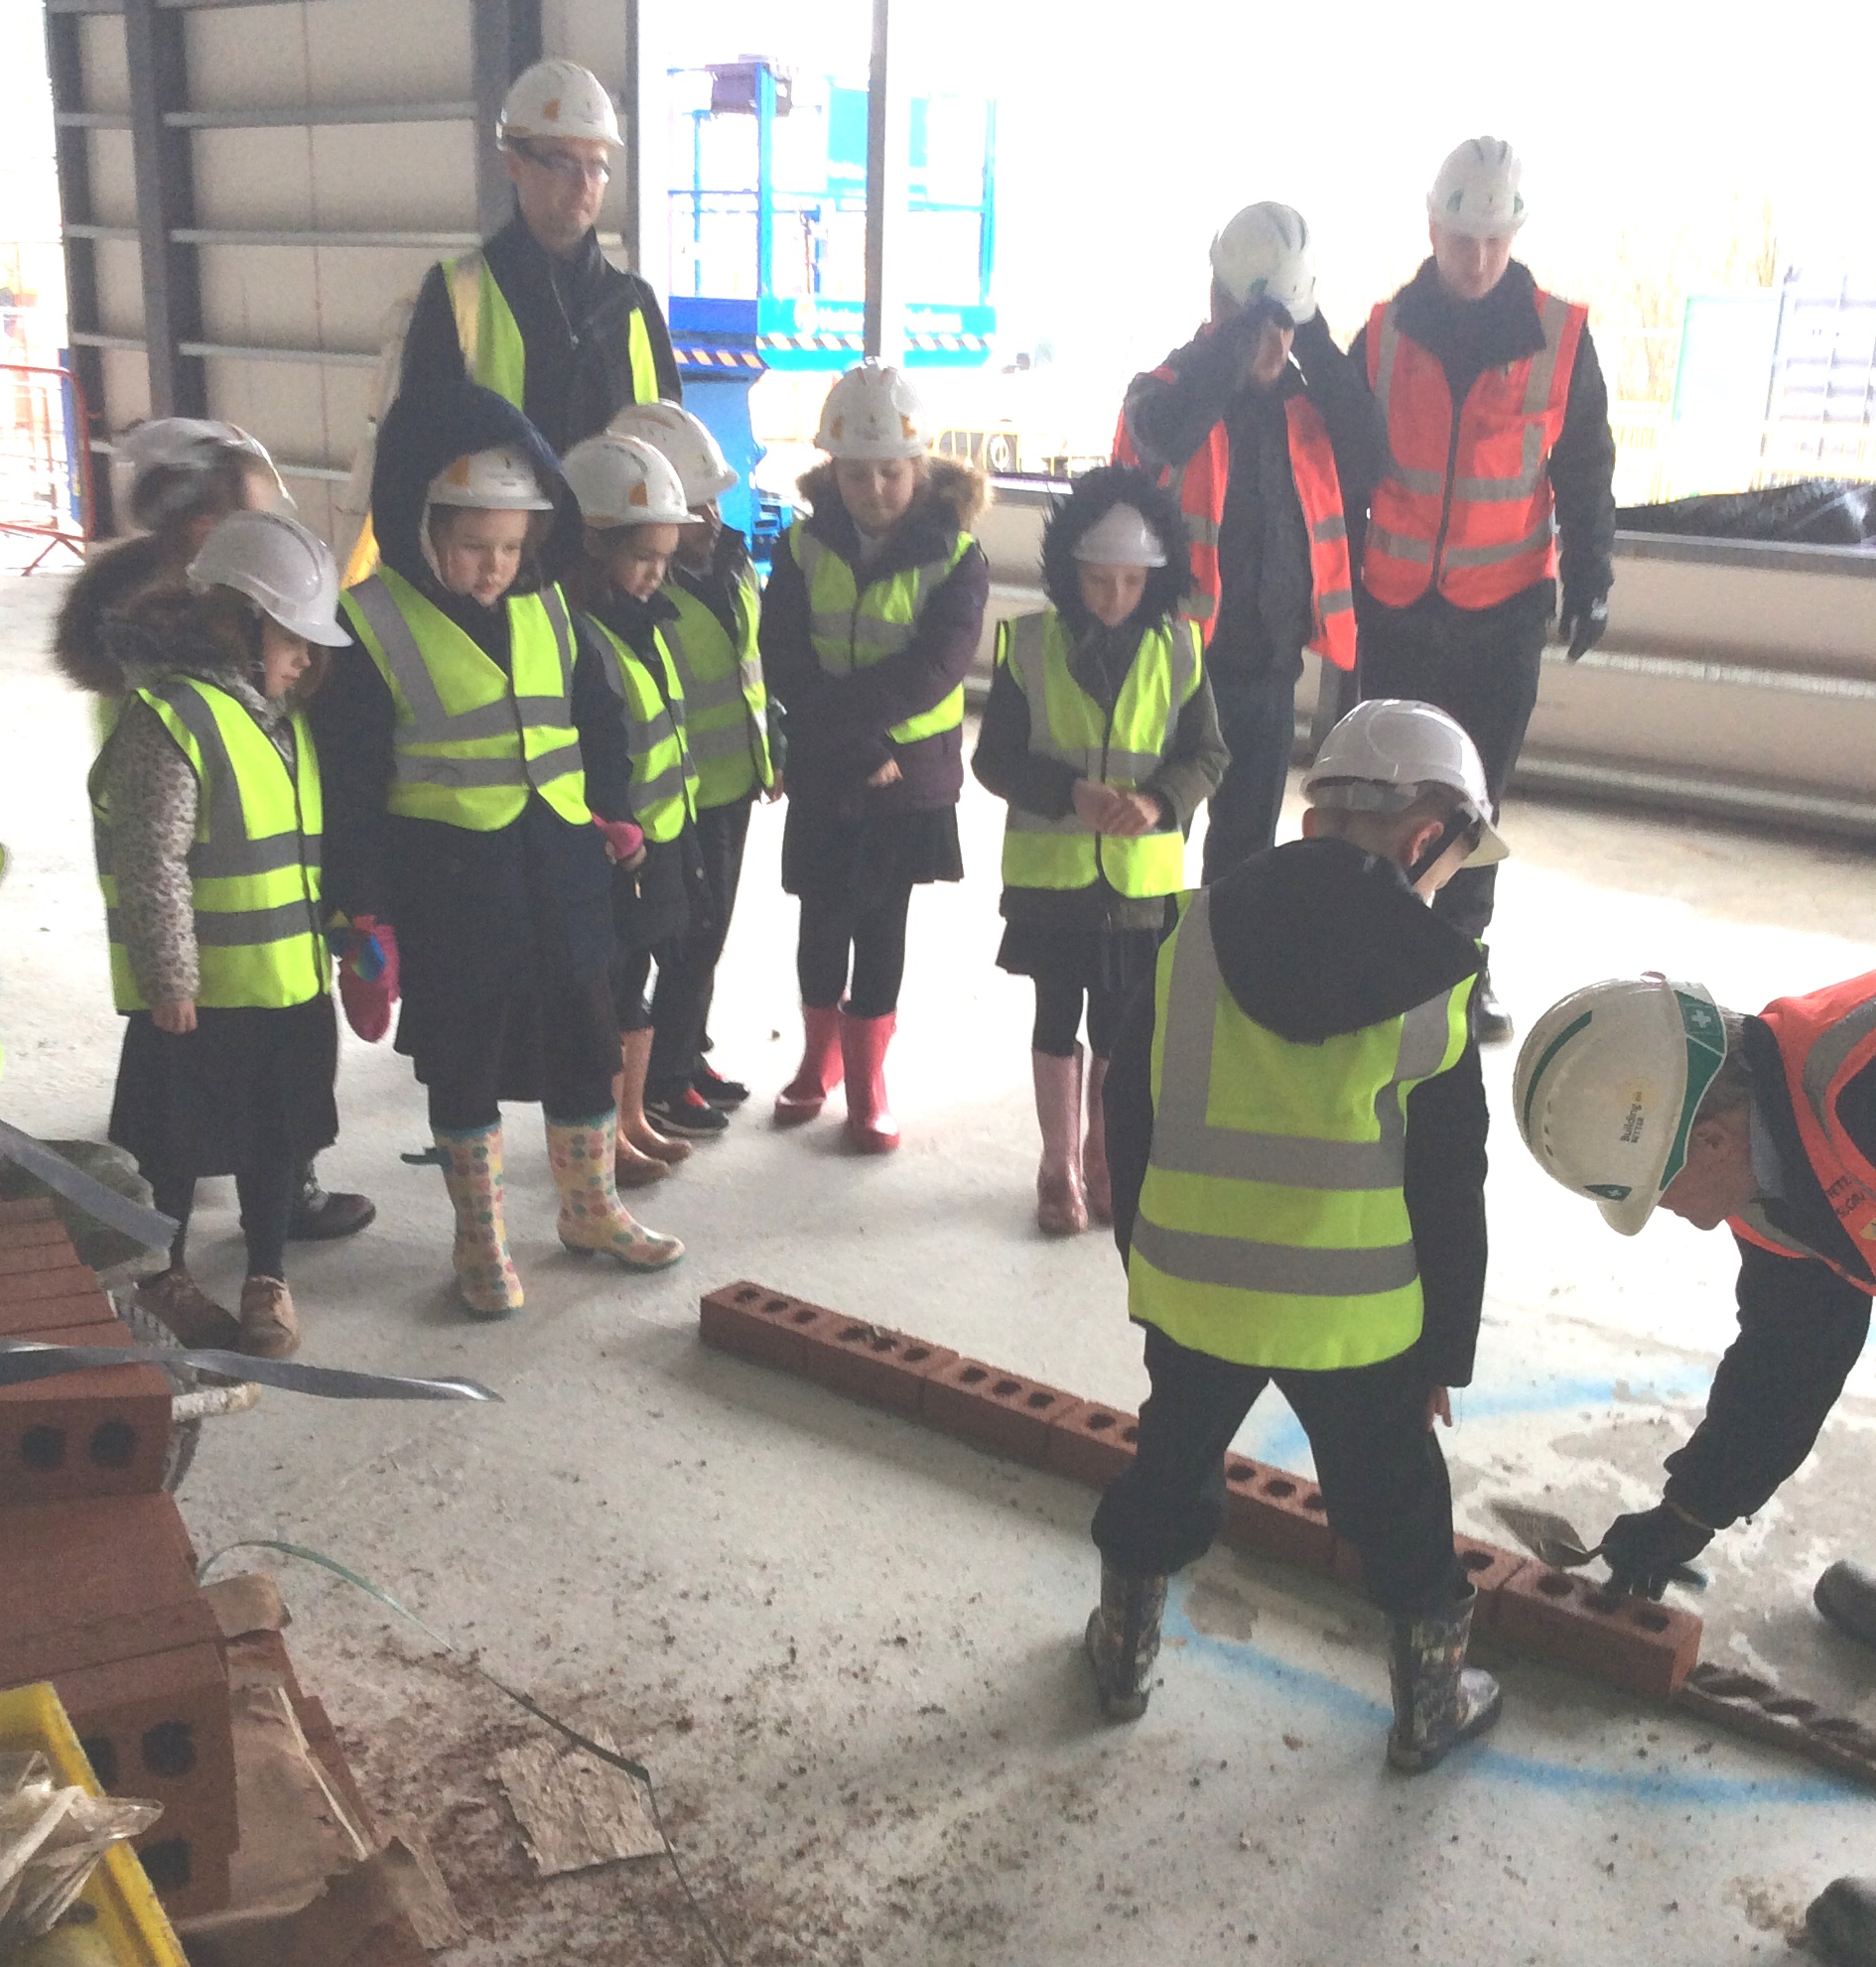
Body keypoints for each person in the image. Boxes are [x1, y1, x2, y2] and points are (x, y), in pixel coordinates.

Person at [1085, 698, 1504, 1774]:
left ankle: (1122, 1650)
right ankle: (1430, 1700)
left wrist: (1146, 1256)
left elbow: (1127, 1111)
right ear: (1426, 838)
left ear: (1316, 823)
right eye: (1459, 858)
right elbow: (1452, 1187)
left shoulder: (1190, 934)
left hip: (1196, 1290)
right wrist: (1444, 1349)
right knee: (1396, 1500)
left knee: (1168, 1470)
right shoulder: (1441, 986)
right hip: (1361, 1324)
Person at [1513, 969, 1876, 1965]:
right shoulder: (1773, 1159)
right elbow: (1789, 1354)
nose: (1670, 1214)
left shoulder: (1859, 1090)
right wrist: (1690, 1508)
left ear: (1708, 1141)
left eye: (1654, 1193)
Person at [312, 380, 681, 1319]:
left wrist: (616, 808)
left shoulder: (548, 609)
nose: (495, 567)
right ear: (423, 527)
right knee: (466, 1064)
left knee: (584, 1044)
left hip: (561, 875)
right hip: (451, 892)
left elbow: (600, 721)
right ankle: (480, 1239)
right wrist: (359, 915)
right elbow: (348, 790)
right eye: (476, 545)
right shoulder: (372, 622)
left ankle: (589, 1211)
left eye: (514, 546)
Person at [52, 420, 374, 1246]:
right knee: (184, 1092)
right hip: (198, 913)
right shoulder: (158, 659)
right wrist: (171, 968)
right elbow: (153, 849)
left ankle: (279, 1179)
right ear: (204, 528)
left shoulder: (233, 637)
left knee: (271, 1071)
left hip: (264, 932)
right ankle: (165, 1241)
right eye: (254, 511)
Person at [1350, 138, 1616, 1044]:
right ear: (1434, 228)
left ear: (1513, 236)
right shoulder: (1383, 334)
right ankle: (1379, 944)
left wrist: (1590, 579)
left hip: (1501, 612)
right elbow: (1343, 466)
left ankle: (1461, 961)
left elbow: (1584, 472)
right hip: (1394, 607)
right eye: (1464, 238)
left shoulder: (1560, 338)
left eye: (1495, 241)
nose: (1478, 258)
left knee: (1473, 797)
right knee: (1382, 789)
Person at [89, 511, 349, 1358]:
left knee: (275, 1139)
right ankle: (161, 1274)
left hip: (284, 985)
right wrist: (170, 979)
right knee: (176, 1145)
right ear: (236, 623)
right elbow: (151, 859)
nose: (304, 658)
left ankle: (266, 1274)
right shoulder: (169, 719)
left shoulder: (281, 723)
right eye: (291, 638)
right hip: (198, 1002)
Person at [972, 465, 1225, 1235]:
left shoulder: (1181, 651)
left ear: (1157, 578)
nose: (1114, 597)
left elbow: (1207, 755)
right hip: (1054, 883)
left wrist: (1157, 802)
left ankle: (1107, 1154)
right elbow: (995, 760)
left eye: (1130, 581)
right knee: (1056, 1016)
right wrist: (1067, 794)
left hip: (1138, 887)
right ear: (1066, 572)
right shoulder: (1029, 644)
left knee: (1119, 1027)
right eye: (1096, 580)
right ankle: (1057, 1165)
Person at [760, 360, 989, 1152]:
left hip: (906, 782)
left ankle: (867, 1083)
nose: (875, 489)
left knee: (882, 923)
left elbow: (935, 667)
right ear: (832, 470)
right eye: (856, 473)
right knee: (819, 918)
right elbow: (784, 655)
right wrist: (857, 744)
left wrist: (851, 735)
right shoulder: (799, 545)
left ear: (918, 468)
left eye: (891, 472)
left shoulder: (956, 556)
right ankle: (816, 1063)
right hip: (839, 767)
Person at [1116, 201, 1381, 882]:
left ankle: (1217, 982)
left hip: (1266, 676)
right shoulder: (1161, 393)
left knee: (1244, 866)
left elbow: (1372, 456)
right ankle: (1143, 984)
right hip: (1171, 675)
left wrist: (1313, 339)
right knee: (1149, 847)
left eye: (1286, 330)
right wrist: (1227, 348)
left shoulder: (1308, 410)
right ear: (1216, 305)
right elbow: (1171, 431)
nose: (1271, 347)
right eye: (1254, 329)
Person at [608, 401, 784, 1136]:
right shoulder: (646, 592)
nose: (709, 519)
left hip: (733, 779)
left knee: (712, 934)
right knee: (686, 935)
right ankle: (666, 1077)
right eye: (692, 507)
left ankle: (688, 1051)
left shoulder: (733, 562)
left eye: (712, 501)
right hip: (681, 794)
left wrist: (770, 753)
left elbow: (752, 671)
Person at [559, 432, 709, 1186]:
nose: (659, 573)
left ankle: (634, 1117)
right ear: (591, 546)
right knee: (610, 992)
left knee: (637, 982)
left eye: (665, 556)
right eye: (643, 556)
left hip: (661, 840)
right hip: (611, 849)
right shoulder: (579, 635)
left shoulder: (645, 623)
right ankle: (607, 1132)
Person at [396, 60, 680, 455]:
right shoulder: (455, 295)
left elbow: (669, 456)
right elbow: (414, 452)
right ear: (515, 163)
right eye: (563, 162)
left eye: (596, 166)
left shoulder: (633, 304)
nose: (584, 184)